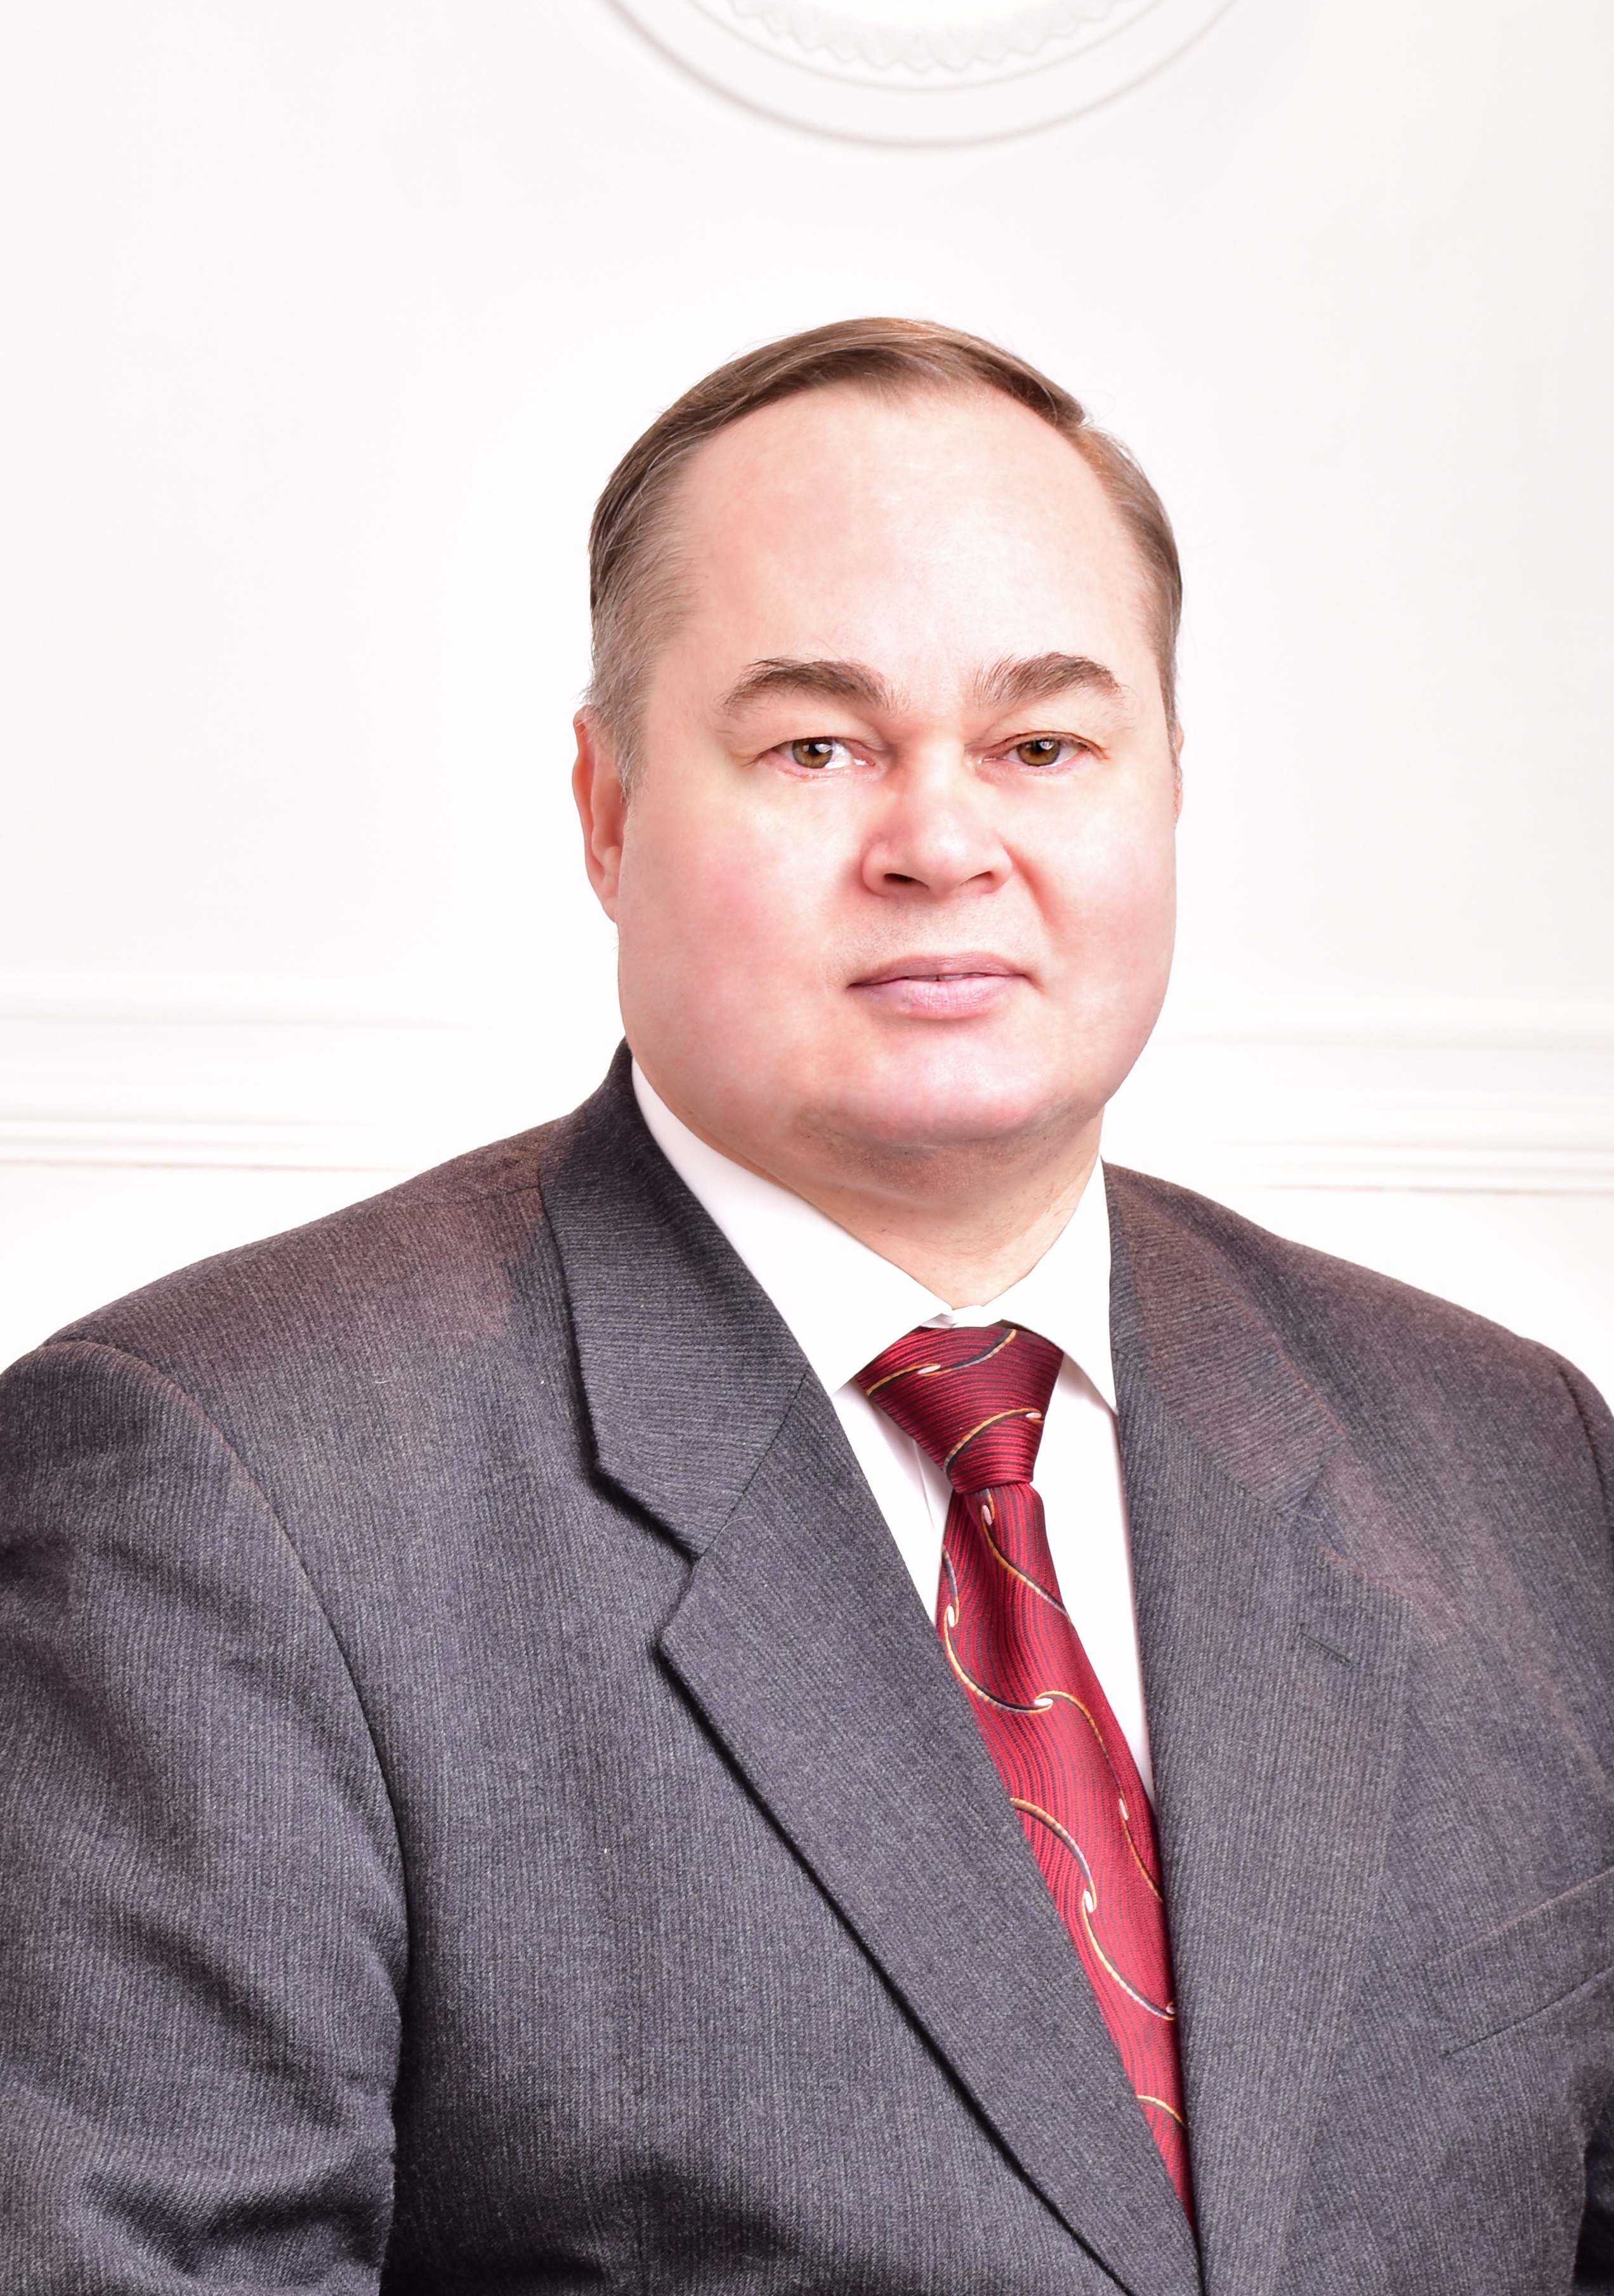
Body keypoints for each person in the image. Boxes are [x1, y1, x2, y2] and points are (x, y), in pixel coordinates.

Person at [2, 318, 1612, 2296]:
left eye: (1043, 745)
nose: (943, 845)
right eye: (817, 747)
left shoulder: (1514, 1461)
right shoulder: (218, 1498)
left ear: (1169, 791)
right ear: (605, 809)